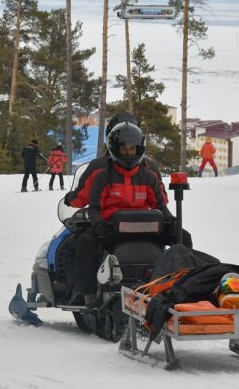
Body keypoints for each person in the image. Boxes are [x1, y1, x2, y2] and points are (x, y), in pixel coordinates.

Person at [72, 121, 175, 306]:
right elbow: (94, 208)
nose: (129, 153)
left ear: (140, 149)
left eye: (132, 149)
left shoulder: (148, 177)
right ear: (115, 149)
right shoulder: (104, 177)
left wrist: (171, 221)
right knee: (84, 241)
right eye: (124, 149)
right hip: (111, 229)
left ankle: (179, 284)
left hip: (145, 230)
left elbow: (160, 206)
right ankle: (88, 293)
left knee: (183, 236)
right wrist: (98, 223)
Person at [64, 112, 168, 208]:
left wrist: (71, 198)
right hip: (143, 225)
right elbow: (162, 201)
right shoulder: (150, 168)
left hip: (106, 224)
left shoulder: (98, 167)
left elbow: (81, 198)